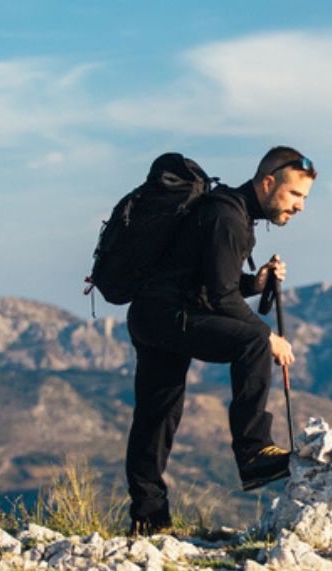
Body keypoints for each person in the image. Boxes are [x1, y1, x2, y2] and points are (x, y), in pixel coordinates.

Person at [124, 146, 316, 535]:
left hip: (154, 315)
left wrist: (255, 283)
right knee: (251, 342)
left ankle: (149, 521)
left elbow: (215, 284)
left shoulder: (230, 211)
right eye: (295, 195)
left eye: (304, 199)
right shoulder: (228, 217)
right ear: (268, 183)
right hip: (167, 317)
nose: (300, 207)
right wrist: (269, 338)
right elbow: (222, 299)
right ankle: (254, 451)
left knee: (158, 416)